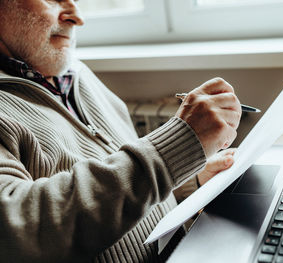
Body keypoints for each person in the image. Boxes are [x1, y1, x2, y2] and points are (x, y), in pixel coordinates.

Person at [0, 0, 242, 262]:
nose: (77, 17)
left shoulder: (75, 73)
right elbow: (18, 232)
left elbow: (126, 179)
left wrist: (187, 180)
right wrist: (174, 148)